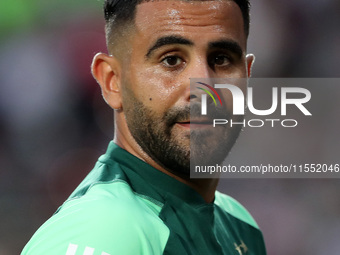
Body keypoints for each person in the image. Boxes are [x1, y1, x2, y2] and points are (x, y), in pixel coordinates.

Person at [22, 0, 266, 254]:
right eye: (171, 60)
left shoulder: (239, 224)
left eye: (222, 59)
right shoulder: (103, 232)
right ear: (112, 81)